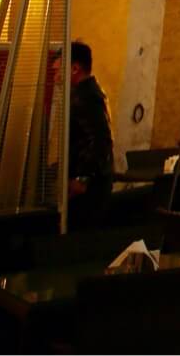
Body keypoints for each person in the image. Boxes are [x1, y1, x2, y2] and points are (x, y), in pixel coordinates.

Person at [62, 41, 113, 228]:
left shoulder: (87, 97)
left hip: (89, 190)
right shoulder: (86, 93)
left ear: (75, 68)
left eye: (60, 68)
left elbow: (101, 140)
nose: (57, 75)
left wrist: (82, 178)